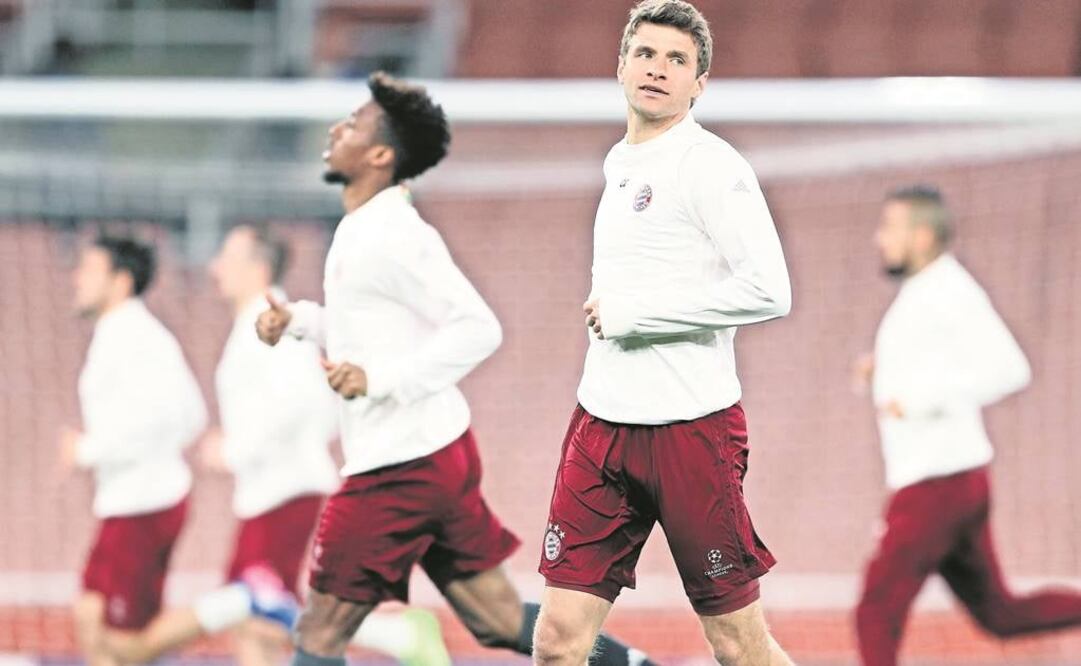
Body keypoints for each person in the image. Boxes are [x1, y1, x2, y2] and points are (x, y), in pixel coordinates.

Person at [256, 71, 654, 666]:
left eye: (355, 124)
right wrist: (297, 321)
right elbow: (367, 327)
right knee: (497, 620)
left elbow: (478, 327)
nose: (337, 130)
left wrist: (379, 382)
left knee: (319, 633)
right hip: (433, 455)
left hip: (397, 469)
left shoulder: (396, 234)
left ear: (381, 155)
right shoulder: (363, 227)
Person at [530, 2, 795, 664]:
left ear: (698, 84)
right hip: (601, 426)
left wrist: (639, 317)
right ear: (621, 65)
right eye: (645, 54)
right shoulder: (620, 162)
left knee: (736, 644)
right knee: (557, 641)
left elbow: (769, 290)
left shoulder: (710, 165)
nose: (657, 69)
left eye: (677, 60)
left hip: (690, 430)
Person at [854, 184, 1081, 666]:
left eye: (889, 227)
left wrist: (916, 400)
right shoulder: (925, 291)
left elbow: (1011, 369)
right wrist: (883, 370)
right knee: (999, 613)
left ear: (921, 236)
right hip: (955, 480)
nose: (879, 238)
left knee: (875, 612)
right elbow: (935, 366)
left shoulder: (949, 290)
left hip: (937, 484)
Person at [63, 234, 208, 666]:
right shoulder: (121, 334)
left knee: (125, 643)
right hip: (127, 502)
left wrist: (88, 449)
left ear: (121, 281)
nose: (76, 278)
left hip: (144, 505)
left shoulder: (136, 339)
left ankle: (239, 606)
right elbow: (191, 414)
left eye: (89, 270)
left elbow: (174, 419)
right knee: (89, 616)